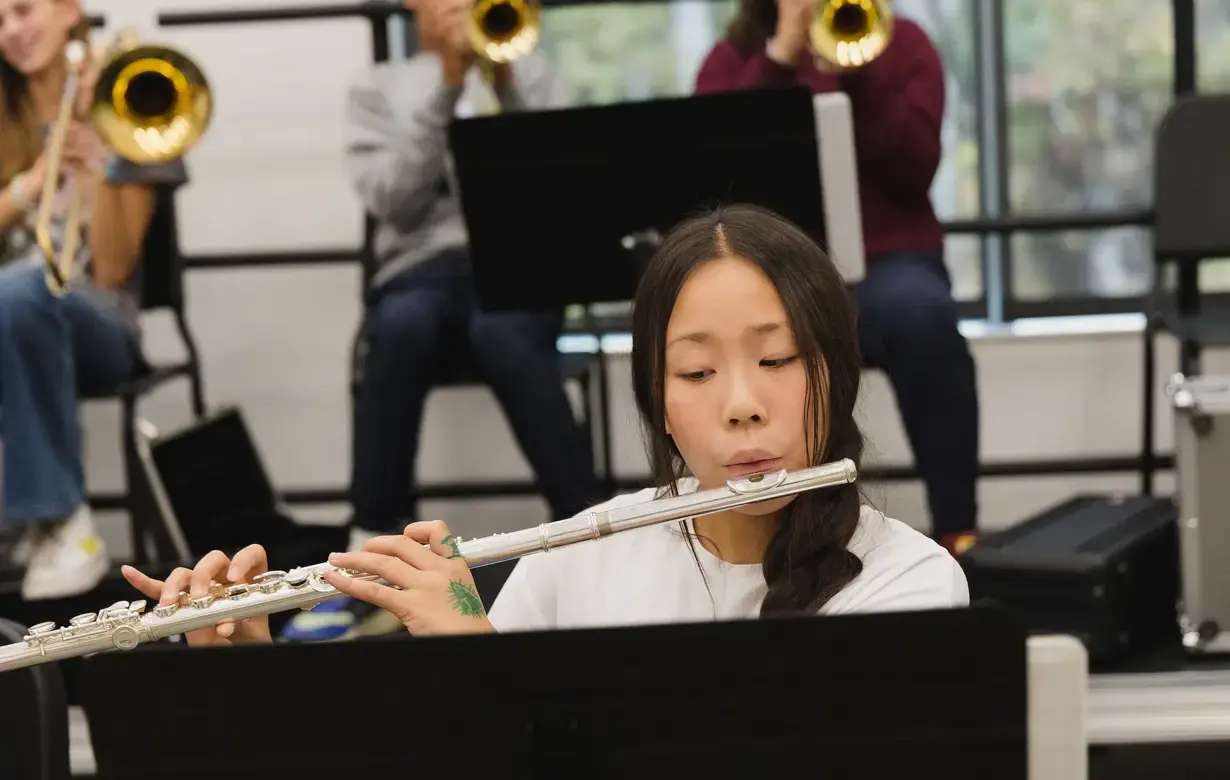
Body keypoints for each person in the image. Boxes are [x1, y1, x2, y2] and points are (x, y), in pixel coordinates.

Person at [122, 204, 968, 645]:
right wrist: (250, 672)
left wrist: (487, 665)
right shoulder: (578, 561)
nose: (742, 402)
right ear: (660, 405)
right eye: (698, 372)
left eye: (777, 360)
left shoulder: (910, 586)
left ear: (836, 376)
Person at [274, 0, 603, 641]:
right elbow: (393, 202)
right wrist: (449, 85)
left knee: (502, 335)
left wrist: (504, 86)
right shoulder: (378, 87)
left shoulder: (534, 74)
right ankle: (370, 557)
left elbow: (563, 188)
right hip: (419, 270)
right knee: (401, 329)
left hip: (521, 266)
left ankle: (586, 532)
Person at [693, 1, 981, 555]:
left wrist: (855, 69)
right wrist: (780, 56)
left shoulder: (904, 44)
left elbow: (915, 165)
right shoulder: (732, 59)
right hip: (767, 269)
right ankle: (760, 532)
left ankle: (958, 530)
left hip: (888, 265)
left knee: (924, 319)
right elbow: (716, 176)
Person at [0, 0, 187, 600]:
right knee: (16, 293)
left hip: (101, 326)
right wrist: (32, 185)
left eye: (23, 11)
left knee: (24, 289)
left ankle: (60, 520)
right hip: (11, 318)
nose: (11, 33)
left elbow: (111, 268)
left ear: (69, 11)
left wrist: (99, 164)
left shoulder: (126, 96)